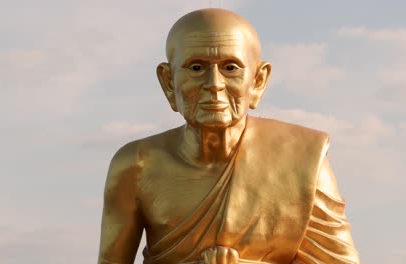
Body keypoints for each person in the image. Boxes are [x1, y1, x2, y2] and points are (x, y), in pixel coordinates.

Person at [98, 8, 359, 264]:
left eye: (230, 67)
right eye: (196, 67)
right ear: (168, 81)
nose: (214, 84)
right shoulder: (137, 166)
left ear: (258, 81)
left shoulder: (302, 160)